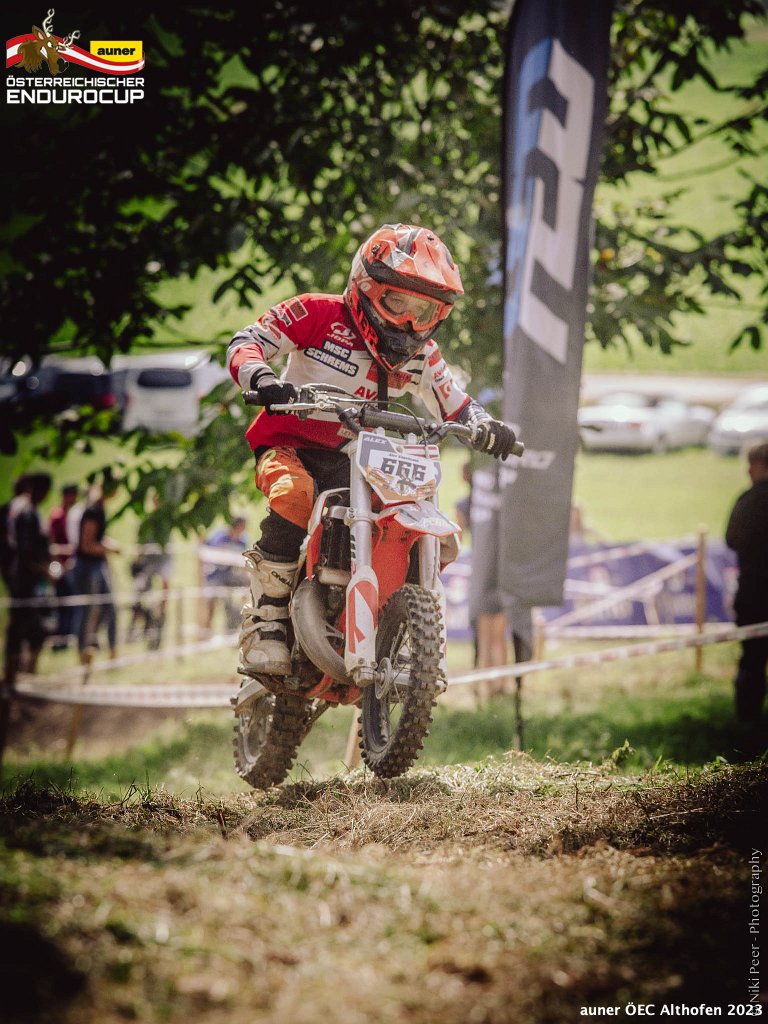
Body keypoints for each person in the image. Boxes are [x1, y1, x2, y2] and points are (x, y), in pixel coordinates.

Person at [226, 222, 518, 676]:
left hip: (362, 460)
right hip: (292, 445)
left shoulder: (422, 355)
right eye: (398, 302)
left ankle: (394, 624)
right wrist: (263, 379)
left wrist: (484, 426)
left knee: (411, 516)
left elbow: (456, 402)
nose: (409, 322)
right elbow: (248, 341)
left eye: (424, 310)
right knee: (295, 496)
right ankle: (267, 620)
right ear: (366, 286)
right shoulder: (317, 312)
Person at [725, 440, 768, 722]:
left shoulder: (748, 500)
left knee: (752, 660)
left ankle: (748, 721)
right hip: (754, 590)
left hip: (754, 592)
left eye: (751, 465)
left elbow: (731, 539)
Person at [3, 472, 53, 688]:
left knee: (22, 626)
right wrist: (45, 569)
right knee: (30, 627)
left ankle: (17, 675)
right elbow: (25, 551)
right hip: (25, 581)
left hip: (21, 579)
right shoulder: (27, 514)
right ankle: (17, 676)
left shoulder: (23, 510)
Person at [71, 483, 120, 666]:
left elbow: (97, 538)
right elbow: (87, 545)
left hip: (97, 565)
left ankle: (113, 653)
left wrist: (109, 545)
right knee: (87, 611)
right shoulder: (93, 511)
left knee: (111, 607)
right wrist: (108, 549)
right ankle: (83, 654)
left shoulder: (99, 509)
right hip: (88, 567)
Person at [201, 516, 249, 632]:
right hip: (214, 575)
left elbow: (243, 560)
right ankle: (207, 630)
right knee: (211, 605)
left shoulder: (242, 541)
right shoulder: (219, 537)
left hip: (229, 575)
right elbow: (210, 554)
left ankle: (240, 617)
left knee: (247, 583)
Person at [47, 482, 79, 649]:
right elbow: (51, 544)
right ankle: (59, 640)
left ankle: (67, 638)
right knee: (61, 604)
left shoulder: (72, 515)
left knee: (71, 604)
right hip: (60, 567)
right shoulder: (57, 516)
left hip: (72, 567)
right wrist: (60, 563)